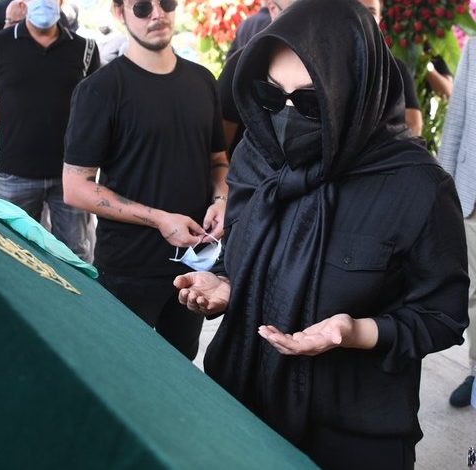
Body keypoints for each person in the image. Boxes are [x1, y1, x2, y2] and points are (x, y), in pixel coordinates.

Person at [174, 0, 468, 467]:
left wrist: (357, 332)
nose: (287, 115)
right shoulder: (257, 155)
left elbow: (443, 315)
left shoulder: (417, 188)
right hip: (242, 407)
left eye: (311, 103)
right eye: (272, 96)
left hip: (351, 435)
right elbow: (246, 246)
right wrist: (228, 282)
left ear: (355, 92)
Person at [63, 0, 229, 360]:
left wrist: (221, 199)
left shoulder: (202, 81)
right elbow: (75, 187)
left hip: (192, 267)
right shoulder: (100, 89)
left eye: (166, 3)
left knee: (179, 369)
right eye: (141, 7)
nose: (157, 14)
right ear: (119, 12)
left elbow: (218, 161)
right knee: (120, 371)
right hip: (127, 268)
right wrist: (159, 219)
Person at [0, 0, 99, 263]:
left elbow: (95, 109)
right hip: (15, 171)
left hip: (71, 175)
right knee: (10, 252)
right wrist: (14, 124)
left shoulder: (85, 48)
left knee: (76, 255)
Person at [438, 38, 476, 408]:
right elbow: (456, 123)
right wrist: (442, 194)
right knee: (473, 292)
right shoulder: (475, 48)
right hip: (471, 191)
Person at [218, 0, 290, 157]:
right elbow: (220, 149)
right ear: (273, 9)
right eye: (295, 11)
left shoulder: (332, 65)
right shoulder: (239, 65)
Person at [359, 0, 423, 136]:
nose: (363, 16)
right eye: (357, 8)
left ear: (380, 19)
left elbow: (414, 124)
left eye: (371, 12)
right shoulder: (324, 64)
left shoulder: (395, 69)